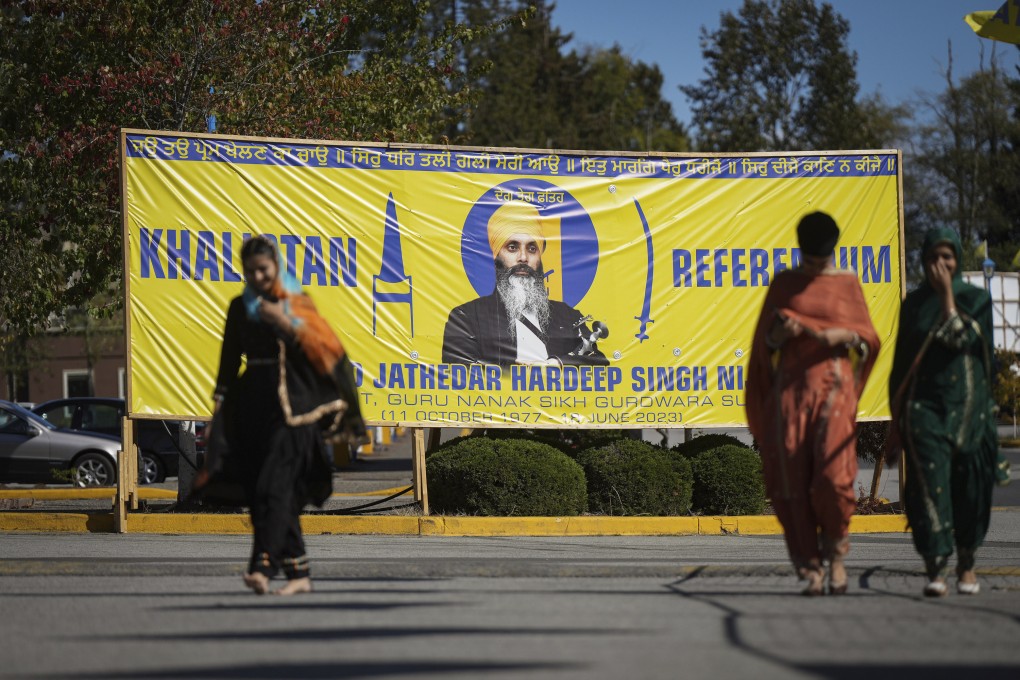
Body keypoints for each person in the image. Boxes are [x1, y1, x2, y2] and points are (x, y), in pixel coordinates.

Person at [199, 235, 364, 596]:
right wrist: (218, 408)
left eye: (264, 269)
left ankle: (262, 565)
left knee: (274, 486)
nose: (258, 277)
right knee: (265, 491)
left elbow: (328, 350)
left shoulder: (294, 302)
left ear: (276, 266)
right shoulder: (239, 307)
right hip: (253, 408)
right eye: (251, 271)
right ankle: (298, 574)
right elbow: (228, 361)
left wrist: (284, 323)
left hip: (295, 411)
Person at [745, 212, 880, 596]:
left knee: (833, 478)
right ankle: (809, 565)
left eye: (821, 260)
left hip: (834, 390)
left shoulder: (847, 283)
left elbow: (867, 337)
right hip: (791, 392)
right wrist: (777, 334)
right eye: (810, 259)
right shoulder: (785, 283)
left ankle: (836, 555)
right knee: (788, 477)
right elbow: (763, 344)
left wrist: (845, 335)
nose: (816, 267)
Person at [889, 228, 998, 597]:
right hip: (925, 412)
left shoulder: (977, 299)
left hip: (970, 412)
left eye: (947, 257)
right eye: (934, 257)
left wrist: (948, 298)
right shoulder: (915, 305)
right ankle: (935, 567)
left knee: (970, 489)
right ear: (924, 260)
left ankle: (967, 565)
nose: (941, 264)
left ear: (957, 260)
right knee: (928, 489)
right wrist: (895, 421)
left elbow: (970, 343)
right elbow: (901, 365)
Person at [442, 200, 608, 367]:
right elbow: (457, 369)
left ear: (539, 257)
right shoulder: (466, 318)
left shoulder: (567, 316)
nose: (523, 257)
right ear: (496, 255)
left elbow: (599, 363)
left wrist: (558, 363)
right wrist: (511, 371)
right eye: (512, 247)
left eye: (532, 248)